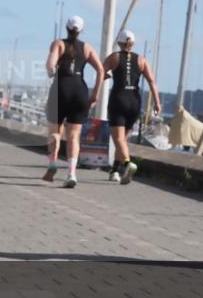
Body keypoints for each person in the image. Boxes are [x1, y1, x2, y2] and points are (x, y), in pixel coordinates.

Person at [43, 16, 104, 188]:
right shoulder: (87, 48)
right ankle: (71, 173)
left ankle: (53, 163)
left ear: (66, 28)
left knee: (55, 131)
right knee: (74, 135)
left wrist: (51, 73)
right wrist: (95, 94)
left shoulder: (59, 44)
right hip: (80, 91)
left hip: (60, 89)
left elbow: (50, 65)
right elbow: (101, 70)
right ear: (81, 30)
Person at [102, 29, 161, 184]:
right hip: (134, 101)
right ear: (133, 43)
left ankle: (128, 163)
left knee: (118, 139)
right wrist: (157, 102)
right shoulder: (141, 60)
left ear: (119, 43)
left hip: (118, 100)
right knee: (122, 140)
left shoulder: (114, 57)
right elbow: (152, 81)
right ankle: (115, 171)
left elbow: (101, 72)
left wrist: (106, 76)